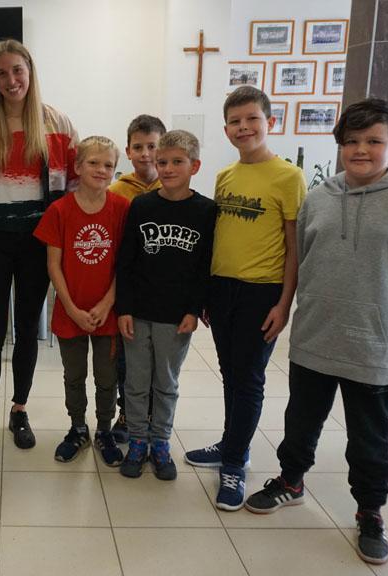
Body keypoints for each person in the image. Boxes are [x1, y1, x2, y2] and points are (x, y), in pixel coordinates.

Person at [243, 98, 388, 565]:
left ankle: (370, 510)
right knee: (300, 421)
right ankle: (291, 480)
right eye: (351, 141)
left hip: (375, 346)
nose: (361, 150)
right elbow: (302, 260)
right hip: (316, 336)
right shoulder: (319, 197)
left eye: (373, 141)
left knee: (369, 437)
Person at [182, 86, 305, 511]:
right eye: (235, 121)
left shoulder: (289, 177)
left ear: (270, 122)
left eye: (252, 118)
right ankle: (232, 443)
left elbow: (294, 247)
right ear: (226, 129)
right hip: (222, 288)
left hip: (261, 291)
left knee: (249, 378)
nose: (244, 127)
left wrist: (284, 304)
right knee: (230, 373)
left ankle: (234, 462)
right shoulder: (226, 176)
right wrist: (206, 292)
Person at [0, 39, 78, 474]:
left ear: (30, 72)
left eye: (18, 71)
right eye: (2, 73)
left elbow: (73, 184)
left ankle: (19, 409)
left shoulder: (57, 122)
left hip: (38, 241)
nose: (11, 80)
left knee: (28, 330)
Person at [115, 130, 216, 480]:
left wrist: (193, 309)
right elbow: (126, 261)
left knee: (166, 383)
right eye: (162, 162)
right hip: (138, 312)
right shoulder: (142, 206)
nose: (168, 168)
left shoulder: (206, 210)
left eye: (177, 162)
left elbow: (204, 267)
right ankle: (137, 441)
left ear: (194, 166)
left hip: (176, 316)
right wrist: (123, 308)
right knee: (136, 382)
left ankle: (160, 441)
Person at [34, 135, 128, 467]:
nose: (101, 170)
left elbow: (124, 264)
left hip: (108, 312)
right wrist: (72, 309)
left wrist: (106, 304)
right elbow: (53, 265)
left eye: (108, 165)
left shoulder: (121, 209)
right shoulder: (59, 211)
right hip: (69, 312)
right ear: (77, 166)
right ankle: (77, 428)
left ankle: (104, 430)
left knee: (106, 377)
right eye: (93, 163)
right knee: (73, 375)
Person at [108, 114, 168, 443]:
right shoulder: (118, 191)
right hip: (128, 288)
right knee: (127, 358)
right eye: (138, 147)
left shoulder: (174, 187)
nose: (146, 154)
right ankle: (127, 413)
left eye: (153, 146)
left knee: (159, 360)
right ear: (128, 151)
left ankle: (154, 416)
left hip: (162, 289)